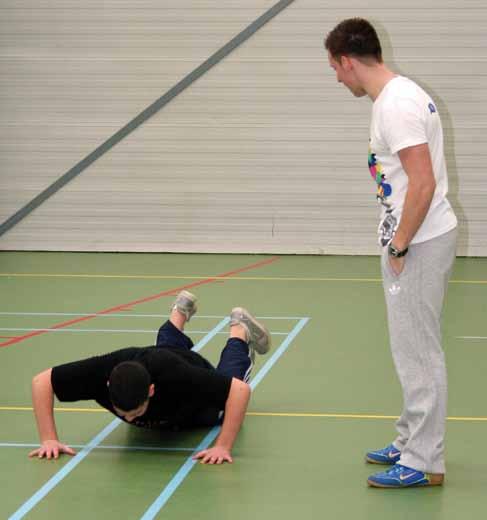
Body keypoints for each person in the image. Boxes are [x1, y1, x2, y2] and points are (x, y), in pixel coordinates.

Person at [324, 18, 458, 488]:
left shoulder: (396, 105)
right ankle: (409, 441)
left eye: (335, 69)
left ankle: (424, 461)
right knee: (409, 348)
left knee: (419, 352)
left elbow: (422, 183)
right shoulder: (396, 97)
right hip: (410, 237)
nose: (337, 79)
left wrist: (400, 243)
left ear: (347, 60)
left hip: (417, 241)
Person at [29, 290, 271, 465]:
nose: (131, 418)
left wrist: (222, 446)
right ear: (108, 385)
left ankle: (239, 329)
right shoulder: (100, 372)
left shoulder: (178, 377)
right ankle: (180, 312)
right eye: (124, 414)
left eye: (136, 412)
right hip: (160, 356)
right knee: (163, 348)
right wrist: (48, 439)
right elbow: (42, 382)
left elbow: (239, 392)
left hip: (193, 399)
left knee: (228, 381)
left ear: (151, 391)